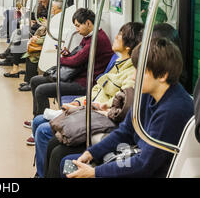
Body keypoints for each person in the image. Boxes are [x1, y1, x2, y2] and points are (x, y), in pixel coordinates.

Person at [61, 37, 194, 178]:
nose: (133, 77)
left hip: (153, 171)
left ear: (162, 75)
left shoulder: (173, 111)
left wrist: (95, 173)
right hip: (137, 158)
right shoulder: (148, 93)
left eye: (141, 70)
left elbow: (145, 165)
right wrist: (92, 153)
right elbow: (126, 131)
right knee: (67, 162)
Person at [31, 22, 143, 177]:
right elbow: (97, 91)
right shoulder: (117, 62)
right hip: (91, 107)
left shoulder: (129, 72)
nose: (115, 37)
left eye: (120, 35)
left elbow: (117, 108)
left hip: (97, 113)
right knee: (45, 129)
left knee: (46, 133)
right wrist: (79, 103)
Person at [28, 8, 114, 120]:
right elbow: (79, 56)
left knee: (41, 90)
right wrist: (68, 55)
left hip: (85, 84)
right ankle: (36, 118)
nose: (77, 29)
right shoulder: (89, 37)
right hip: (77, 76)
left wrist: (61, 59)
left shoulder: (96, 39)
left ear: (88, 23)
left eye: (78, 26)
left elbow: (75, 61)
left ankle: (43, 121)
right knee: (35, 81)